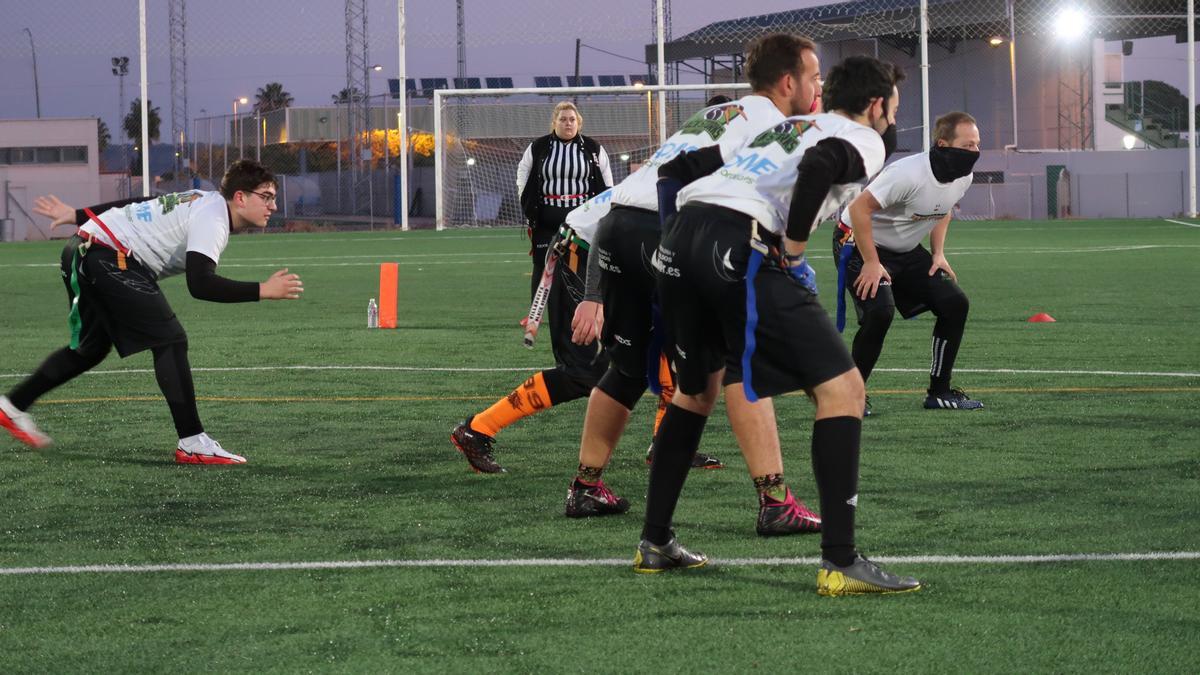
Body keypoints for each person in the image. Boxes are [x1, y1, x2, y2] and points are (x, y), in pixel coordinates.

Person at [635, 55, 923, 596]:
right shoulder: (864, 138)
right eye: (892, 107)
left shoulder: (783, 126)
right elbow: (819, 166)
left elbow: (675, 169)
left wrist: (682, 239)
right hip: (741, 245)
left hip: (682, 241)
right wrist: (791, 249)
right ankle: (840, 559)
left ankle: (656, 541)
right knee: (843, 388)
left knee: (695, 392)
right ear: (876, 104)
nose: (891, 118)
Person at [559, 34, 826, 539]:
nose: (818, 87)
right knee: (737, 364)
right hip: (674, 233)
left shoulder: (714, 115)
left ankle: (586, 485)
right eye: (814, 77)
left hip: (617, 228)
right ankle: (774, 500)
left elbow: (637, 190)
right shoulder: (778, 126)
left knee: (627, 368)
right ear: (788, 82)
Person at [0, 160, 303, 465]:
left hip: (87, 249)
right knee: (170, 340)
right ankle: (193, 442)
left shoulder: (202, 200)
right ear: (240, 197)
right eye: (266, 196)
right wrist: (262, 290)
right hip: (106, 254)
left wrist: (78, 215)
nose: (273, 206)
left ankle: (12, 405)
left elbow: (139, 203)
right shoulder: (214, 218)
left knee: (90, 349)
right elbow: (200, 284)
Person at [450, 103, 613, 473]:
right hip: (576, 258)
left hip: (601, 260)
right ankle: (479, 428)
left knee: (644, 357)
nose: (568, 123)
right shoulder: (541, 150)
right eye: (563, 118)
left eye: (573, 119)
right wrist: (595, 296)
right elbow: (613, 226)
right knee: (586, 371)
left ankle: (667, 445)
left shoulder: (595, 153)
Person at [836, 111, 982, 413]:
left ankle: (939, 393)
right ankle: (848, 396)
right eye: (967, 145)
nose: (975, 152)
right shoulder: (908, 173)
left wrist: (938, 253)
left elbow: (944, 209)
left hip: (904, 250)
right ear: (942, 144)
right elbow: (859, 208)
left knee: (955, 303)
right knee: (880, 312)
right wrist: (872, 262)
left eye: (977, 145)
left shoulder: (962, 176)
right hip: (857, 242)